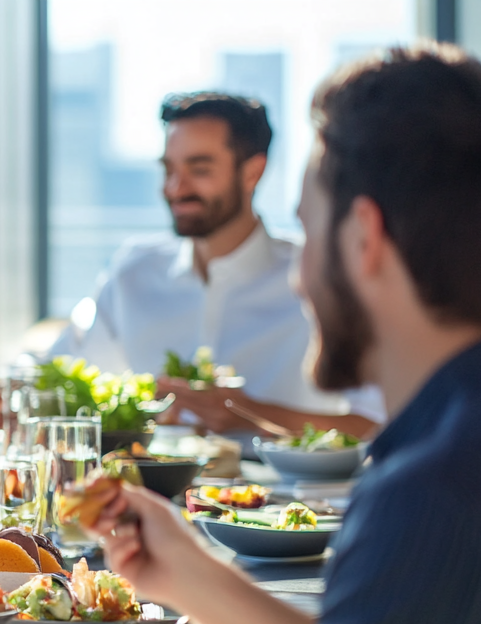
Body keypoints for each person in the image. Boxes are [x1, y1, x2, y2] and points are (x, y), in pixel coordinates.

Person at [87, 44, 481, 624]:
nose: (297, 277)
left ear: (363, 238)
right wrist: (185, 572)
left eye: (308, 229)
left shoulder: (436, 486)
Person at [47, 92, 380, 438]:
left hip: (282, 491)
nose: (175, 187)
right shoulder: (132, 273)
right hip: (144, 489)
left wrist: (250, 414)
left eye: (199, 169)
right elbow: (59, 382)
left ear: (253, 172)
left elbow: (377, 425)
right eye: (169, 169)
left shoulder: (318, 278)